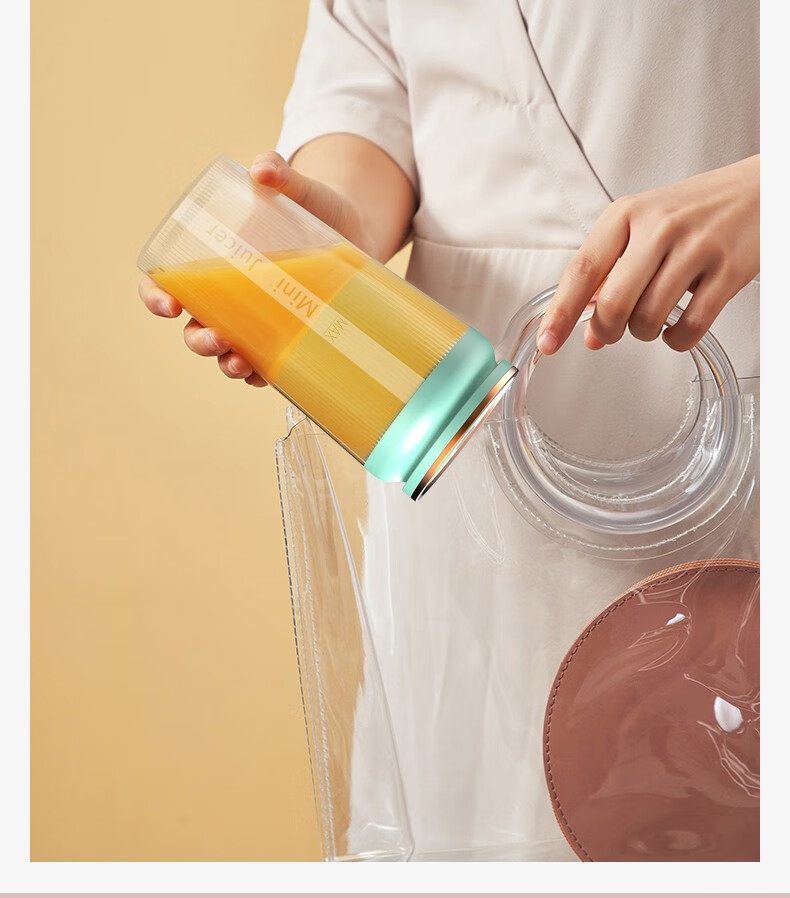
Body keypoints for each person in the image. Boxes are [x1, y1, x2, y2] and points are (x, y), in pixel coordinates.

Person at [138, 0, 759, 859]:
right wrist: (325, 234)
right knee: (482, 816)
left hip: (729, 382)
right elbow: (369, 80)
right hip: (456, 433)